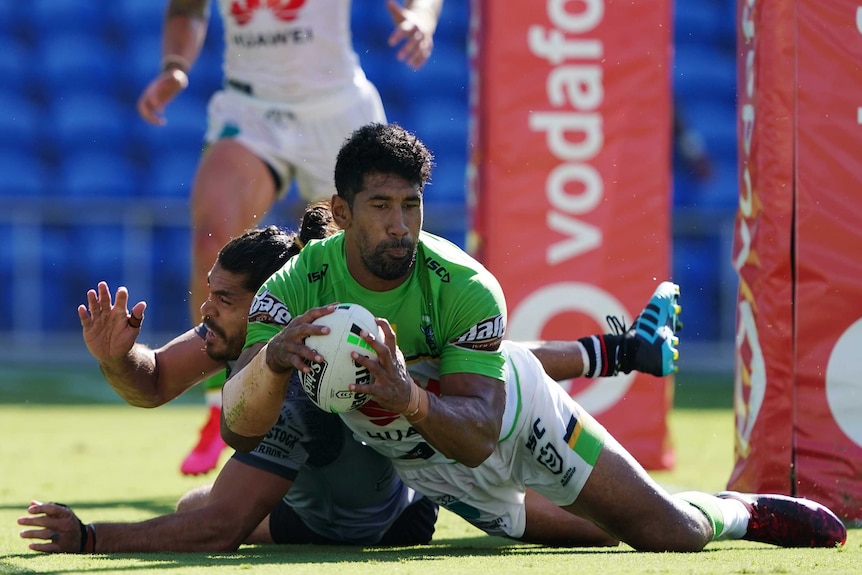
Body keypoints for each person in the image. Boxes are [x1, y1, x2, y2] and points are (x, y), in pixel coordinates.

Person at [222, 122, 847, 551]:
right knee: (605, 530)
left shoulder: (463, 284)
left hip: (511, 418)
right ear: (340, 211)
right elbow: (239, 427)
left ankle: (735, 509)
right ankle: (628, 363)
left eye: (410, 205)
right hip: (441, 476)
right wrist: (271, 364)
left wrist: (407, 396)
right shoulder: (296, 285)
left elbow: (477, 437)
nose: (400, 226)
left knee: (667, 535)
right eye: (381, 206)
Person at [18, 202, 683, 553]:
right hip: (412, 492)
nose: (205, 311)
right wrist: (115, 361)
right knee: (605, 521)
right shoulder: (250, 322)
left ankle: (627, 371)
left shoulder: (302, 328)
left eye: (222, 298)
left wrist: (92, 537)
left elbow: (221, 525)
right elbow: (156, 380)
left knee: (206, 511)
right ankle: (624, 353)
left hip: (376, 506)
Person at [136, 0, 444, 475]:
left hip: (338, 105)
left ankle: (398, 396)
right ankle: (224, 399)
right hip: (251, 106)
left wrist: (420, 17)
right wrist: (175, 67)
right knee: (211, 241)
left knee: (370, 251)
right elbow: (187, 7)